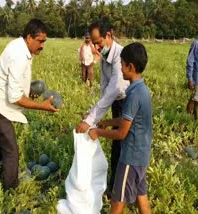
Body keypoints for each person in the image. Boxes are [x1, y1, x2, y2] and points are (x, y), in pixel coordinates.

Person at [0, 19, 58, 190]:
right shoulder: (18, 56)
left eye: (44, 41)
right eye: (40, 41)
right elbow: (15, 97)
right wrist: (42, 106)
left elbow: (14, 83)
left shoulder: (21, 47)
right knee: (11, 150)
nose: (43, 45)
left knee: (1, 144)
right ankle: (9, 190)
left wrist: (28, 92)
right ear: (29, 37)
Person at [88, 42, 152, 214]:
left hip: (130, 157)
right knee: (141, 197)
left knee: (117, 202)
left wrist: (98, 132)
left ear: (130, 67)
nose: (120, 69)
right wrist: (107, 122)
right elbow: (126, 121)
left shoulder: (133, 95)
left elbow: (122, 133)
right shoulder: (142, 90)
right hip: (142, 155)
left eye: (122, 65)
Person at [75, 19, 130, 197]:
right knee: (117, 145)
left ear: (109, 35)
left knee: (123, 144)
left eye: (98, 42)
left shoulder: (120, 57)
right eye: (94, 43)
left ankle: (122, 189)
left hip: (127, 102)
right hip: (116, 102)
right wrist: (94, 114)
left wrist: (91, 119)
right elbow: (105, 90)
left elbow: (114, 89)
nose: (97, 48)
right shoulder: (105, 58)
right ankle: (114, 184)